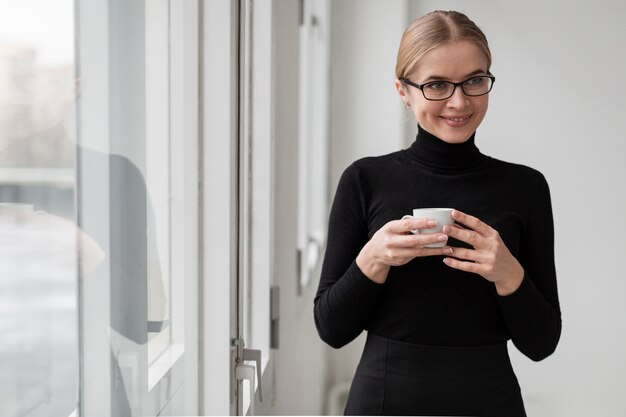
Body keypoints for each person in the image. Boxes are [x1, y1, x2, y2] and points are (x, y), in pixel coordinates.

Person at [314, 10, 561, 416]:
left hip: (491, 401)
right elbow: (331, 330)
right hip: (382, 400)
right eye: (437, 85)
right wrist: (374, 257)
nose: (459, 101)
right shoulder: (364, 179)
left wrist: (507, 271)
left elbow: (542, 343)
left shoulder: (526, 188)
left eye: (475, 81)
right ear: (403, 90)